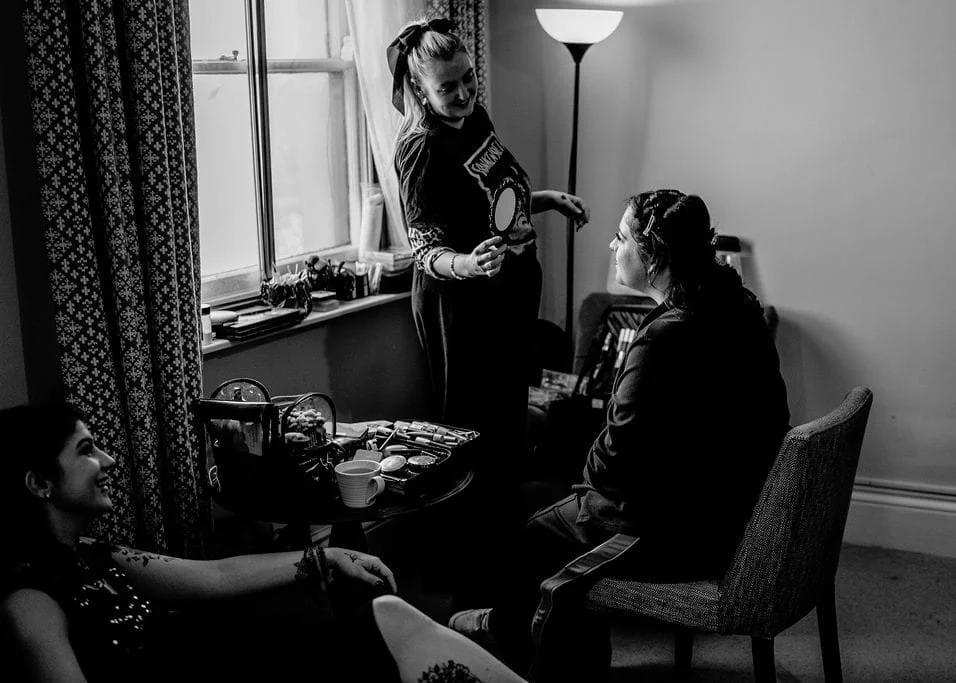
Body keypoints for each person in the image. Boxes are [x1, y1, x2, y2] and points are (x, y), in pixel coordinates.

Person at [447, 189, 791, 680]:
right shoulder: (740, 306)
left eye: (621, 236)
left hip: (681, 529)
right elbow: (770, 418)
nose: (612, 246)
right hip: (737, 510)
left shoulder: (663, 339)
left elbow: (612, 464)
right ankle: (518, 626)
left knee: (538, 530)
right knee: (560, 512)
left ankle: (511, 637)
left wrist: (588, 478)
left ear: (653, 257)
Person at [0, 403, 525, 683]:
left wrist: (328, 555)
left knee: (386, 611)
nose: (109, 461)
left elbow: (214, 576)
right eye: (87, 450)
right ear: (39, 483)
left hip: (225, 662)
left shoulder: (95, 554)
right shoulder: (30, 601)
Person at [387, 18, 589, 606]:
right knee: (475, 438)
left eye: (468, 78)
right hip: (464, 311)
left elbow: (493, 187)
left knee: (506, 435)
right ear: (420, 89)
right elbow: (424, 248)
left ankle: (506, 569)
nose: (465, 93)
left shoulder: (471, 116)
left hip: (505, 301)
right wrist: (470, 266)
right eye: (448, 87)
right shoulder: (421, 148)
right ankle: (472, 586)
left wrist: (542, 200)